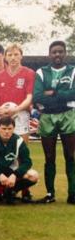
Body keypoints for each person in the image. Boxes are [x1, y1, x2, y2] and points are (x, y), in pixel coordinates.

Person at [33, 40, 75, 204]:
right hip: (47, 117)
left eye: (60, 51)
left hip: (68, 115)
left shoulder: (72, 71)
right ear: (49, 54)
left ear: (65, 53)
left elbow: (74, 94)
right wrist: (62, 96)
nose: (57, 54)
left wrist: (53, 93)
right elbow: (37, 97)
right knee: (49, 157)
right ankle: (50, 194)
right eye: (54, 52)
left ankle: (73, 193)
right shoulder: (41, 72)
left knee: (70, 156)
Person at [0, 43, 35, 142]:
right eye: (10, 55)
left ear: (21, 56)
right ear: (5, 57)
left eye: (16, 54)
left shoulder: (29, 73)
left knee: (22, 150)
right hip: (2, 115)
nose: (13, 58)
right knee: (0, 150)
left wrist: (16, 109)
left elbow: (29, 97)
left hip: (21, 114)